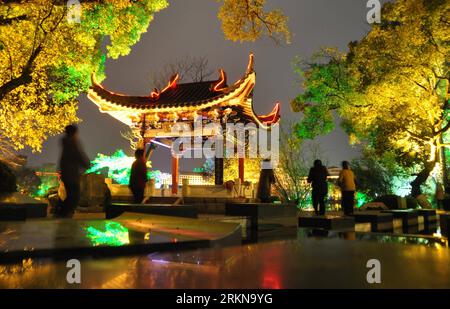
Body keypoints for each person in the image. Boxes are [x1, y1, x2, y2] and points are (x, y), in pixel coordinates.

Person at [58, 125, 90, 218]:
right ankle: (63, 213)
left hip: (66, 173)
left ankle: (62, 212)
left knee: (71, 195)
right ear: (74, 133)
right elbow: (78, 155)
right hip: (71, 174)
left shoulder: (67, 143)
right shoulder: (71, 143)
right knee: (74, 195)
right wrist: (86, 164)